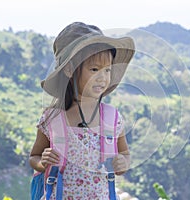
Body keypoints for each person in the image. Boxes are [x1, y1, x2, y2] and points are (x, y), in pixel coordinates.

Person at [29, 22, 135, 199]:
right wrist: (42, 162)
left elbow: (124, 153)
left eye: (107, 70)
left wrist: (122, 163)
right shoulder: (52, 119)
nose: (102, 77)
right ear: (70, 69)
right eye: (94, 69)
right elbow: (35, 156)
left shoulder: (112, 119)